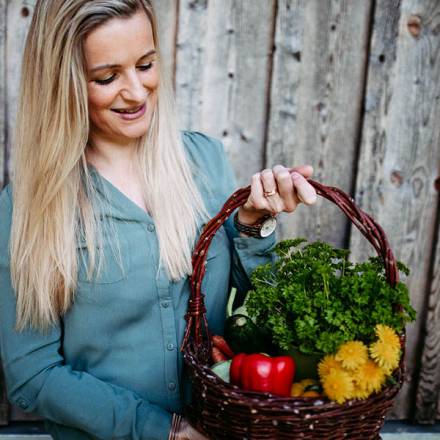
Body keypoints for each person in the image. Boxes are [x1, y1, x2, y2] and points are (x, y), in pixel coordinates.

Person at [0, 1, 317, 439]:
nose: (136, 92)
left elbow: (263, 318)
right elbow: (32, 374)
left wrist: (252, 227)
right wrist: (164, 431)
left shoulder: (204, 161)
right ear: (64, 84)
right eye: (107, 77)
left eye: (146, 65)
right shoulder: (30, 206)